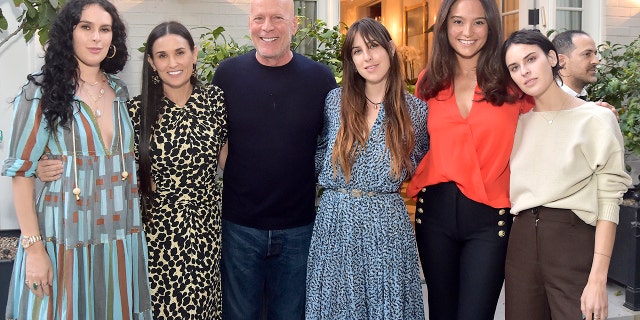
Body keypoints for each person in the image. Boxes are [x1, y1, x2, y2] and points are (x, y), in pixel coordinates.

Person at [1, 0, 153, 319]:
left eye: (105, 29)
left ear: (114, 39)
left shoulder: (120, 92)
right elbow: (21, 173)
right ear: (67, 34)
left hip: (118, 236)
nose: (96, 37)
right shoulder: (41, 91)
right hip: (63, 240)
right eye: (86, 27)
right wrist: (34, 250)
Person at [210, 0, 337, 318]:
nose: (267, 27)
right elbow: (213, 137)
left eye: (277, 18)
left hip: (299, 229)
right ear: (250, 24)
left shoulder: (321, 80)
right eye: (259, 18)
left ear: (294, 24)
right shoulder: (227, 76)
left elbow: (334, 144)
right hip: (239, 228)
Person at [405, 0, 530, 318]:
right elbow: (416, 142)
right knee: (442, 312)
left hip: (490, 218)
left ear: (491, 26)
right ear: (445, 26)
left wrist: (587, 109)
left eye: (478, 22)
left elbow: (552, 112)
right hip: (434, 214)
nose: (467, 31)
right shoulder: (429, 81)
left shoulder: (512, 81)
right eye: (458, 21)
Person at [502, 29, 631, 320]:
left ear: (552, 58)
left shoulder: (597, 118)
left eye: (531, 59)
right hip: (521, 242)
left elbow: (609, 200)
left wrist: (598, 279)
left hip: (573, 239)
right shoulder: (515, 123)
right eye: (514, 67)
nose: (524, 71)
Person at [305, 17, 428, 319]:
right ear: (351, 61)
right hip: (336, 225)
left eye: (373, 47)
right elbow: (318, 153)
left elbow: (423, 163)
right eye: (357, 51)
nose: (367, 57)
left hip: (387, 227)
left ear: (390, 48)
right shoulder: (334, 102)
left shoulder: (416, 110)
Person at [128, 21, 228, 319]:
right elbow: (112, 167)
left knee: (204, 308)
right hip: (158, 234)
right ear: (151, 62)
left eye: (180, 52)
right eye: (162, 56)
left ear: (194, 55)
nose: (172, 63)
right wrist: (49, 164)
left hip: (207, 229)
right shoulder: (135, 111)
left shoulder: (215, 102)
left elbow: (232, 161)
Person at [552, 30, 599, 99]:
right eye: (587, 54)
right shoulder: (549, 103)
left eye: (595, 54)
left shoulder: (582, 99)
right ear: (561, 60)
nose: (596, 61)